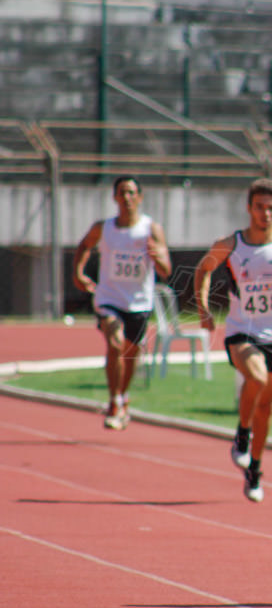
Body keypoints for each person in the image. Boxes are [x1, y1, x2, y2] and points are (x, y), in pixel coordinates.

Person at [193, 178, 272, 503]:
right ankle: (242, 433)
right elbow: (203, 270)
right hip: (241, 331)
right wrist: (203, 308)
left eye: (271, 207)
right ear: (249, 208)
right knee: (256, 377)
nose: (265, 213)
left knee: (266, 407)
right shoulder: (231, 244)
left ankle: (255, 469)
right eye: (259, 207)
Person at [72, 175, 172, 430]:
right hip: (109, 298)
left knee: (131, 353)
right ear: (115, 197)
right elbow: (84, 245)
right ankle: (114, 399)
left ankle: (123, 395)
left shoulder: (151, 229)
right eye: (122, 193)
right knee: (115, 343)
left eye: (131, 193)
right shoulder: (103, 228)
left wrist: (154, 252)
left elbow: (166, 270)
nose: (126, 198)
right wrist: (79, 273)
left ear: (139, 197)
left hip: (139, 302)